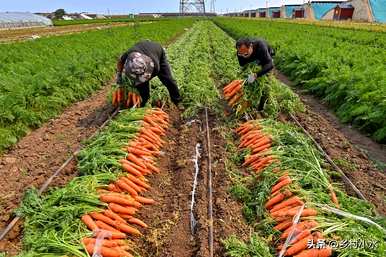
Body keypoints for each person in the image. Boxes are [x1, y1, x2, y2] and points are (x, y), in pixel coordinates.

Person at [115, 40, 182, 108]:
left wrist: (139, 84)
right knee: (142, 87)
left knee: (168, 80)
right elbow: (120, 62)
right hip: (142, 47)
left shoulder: (155, 66)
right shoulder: (128, 54)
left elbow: (146, 79)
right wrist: (119, 74)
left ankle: (177, 100)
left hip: (157, 51)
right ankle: (143, 102)